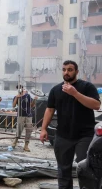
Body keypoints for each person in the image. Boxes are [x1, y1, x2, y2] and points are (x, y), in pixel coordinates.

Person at [40, 60, 100, 188]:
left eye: (70, 69)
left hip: (85, 135)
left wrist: (75, 93)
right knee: (63, 170)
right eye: (64, 69)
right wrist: (43, 129)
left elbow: (96, 105)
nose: (66, 72)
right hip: (63, 135)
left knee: (86, 168)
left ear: (76, 72)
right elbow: (50, 109)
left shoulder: (87, 87)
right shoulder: (56, 90)